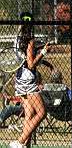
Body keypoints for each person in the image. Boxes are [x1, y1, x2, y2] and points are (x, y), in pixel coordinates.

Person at [9, 12, 52, 148]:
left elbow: (26, 55)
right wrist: (43, 52)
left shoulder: (17, 39)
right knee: (41, 112)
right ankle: (20, 142)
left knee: (29, 115)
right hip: (28, 81)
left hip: (20, 80)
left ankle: (24, 146)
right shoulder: (30, 41)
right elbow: (31, 64)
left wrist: (39, 49)